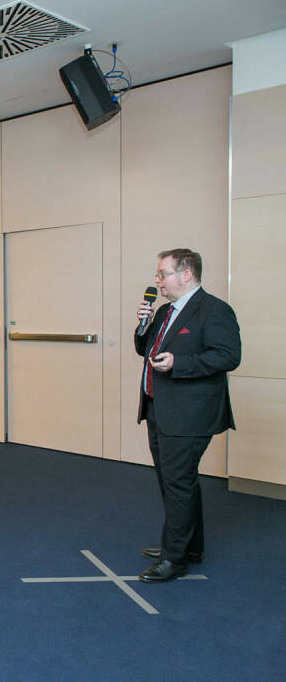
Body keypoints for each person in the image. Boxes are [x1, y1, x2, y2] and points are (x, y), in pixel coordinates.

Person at [133, 249, 241, 583]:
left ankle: (174, 558)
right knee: (175, 480)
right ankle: (188, 546)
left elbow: (228, 356)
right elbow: (144, 349)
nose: (158, 281)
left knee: (178, 482)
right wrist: (144, 326)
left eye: (163, 274)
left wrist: (180, 365)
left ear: (186, 274)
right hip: (158, 406)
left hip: (189, 413)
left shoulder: (214, 310)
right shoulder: (165, 311)